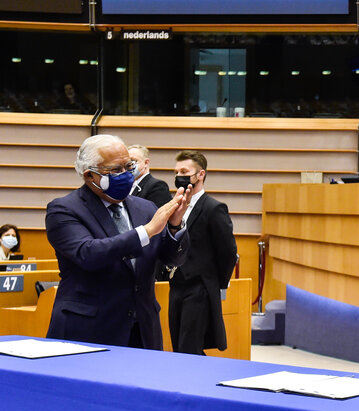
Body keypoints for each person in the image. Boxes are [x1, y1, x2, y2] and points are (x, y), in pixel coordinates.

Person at [45, 134, 191, 350]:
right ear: (89, 175)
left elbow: (173, 258)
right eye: (115, 170)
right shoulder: (64, 210)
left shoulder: (145, 207)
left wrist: (174, 226)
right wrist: (148, 231)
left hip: (143, 330)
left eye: (129, 166)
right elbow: (89, 254)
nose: (126, 175)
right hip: (88, 330)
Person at [168, 150, 238, 355]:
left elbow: (227, 251)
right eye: (176, 171)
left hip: (199, 286)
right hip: (176, 284)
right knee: (178, 345)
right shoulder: (173, 206)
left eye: (184, 171)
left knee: (190, 347)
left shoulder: (213, 208)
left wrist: (218, 284)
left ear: (200, 174)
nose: (179, 175)